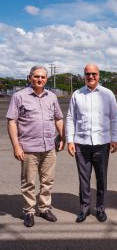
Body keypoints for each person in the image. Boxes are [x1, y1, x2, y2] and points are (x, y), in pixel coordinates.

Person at [6, 65, 65, 227]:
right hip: (28, 147)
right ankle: (29, 211)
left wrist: (63, 137)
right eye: (36, 76)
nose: (40, 80)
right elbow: (12, 121)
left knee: (48, 181)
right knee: (28, 182)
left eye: (43, 77)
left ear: (46, 79)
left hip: (49, 146)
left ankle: (44, 208)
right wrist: (16, 146)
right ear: (29, 78)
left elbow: (58, 118)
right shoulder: (19, 96)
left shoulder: (52, 97)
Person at [66, 63, 117, 223]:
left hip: (102, 143)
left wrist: (115, 138)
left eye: (94, 74)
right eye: (87, 74)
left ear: (98, 75)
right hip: (81, 144)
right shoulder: (77, 94)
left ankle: (100, 209)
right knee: (84, 178)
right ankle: (84, 209)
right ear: (84, 75)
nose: (91, 77)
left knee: (101, 178)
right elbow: (70, 118)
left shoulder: (107, 94)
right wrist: (70, 140)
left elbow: (114, 118)